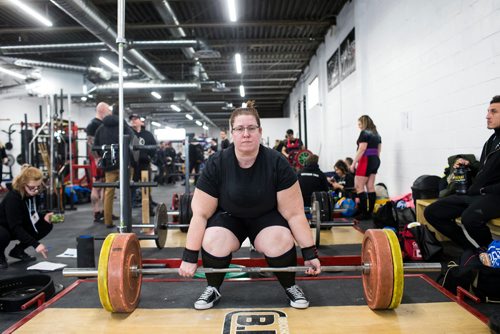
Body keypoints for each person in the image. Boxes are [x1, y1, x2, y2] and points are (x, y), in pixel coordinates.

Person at [178, 101, 321, 310]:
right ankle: (213, 288)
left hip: (266, 217)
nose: (246, 134)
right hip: (229, 217)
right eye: (240, 129)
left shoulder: (277, 162)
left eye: (251, 128)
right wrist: (189, 257)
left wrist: (310, 254)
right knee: (212, 238)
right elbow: (199, 215)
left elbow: (295, 214)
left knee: (280, 238)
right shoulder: (217, 163)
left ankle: (290, 285)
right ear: (232, 133)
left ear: (259, 131)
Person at [424, 95, 500, 251]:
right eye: (488, 111)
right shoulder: (492, 140)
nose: (487, 116)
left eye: (494, 112)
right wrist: (469, 166)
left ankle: (492, 254)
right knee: (432, 212)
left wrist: (484, 190)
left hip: (495, 195)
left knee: (470, 218)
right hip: (477, 194)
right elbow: (486, 171)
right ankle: (472, 250)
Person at [0, 165, 54, 269]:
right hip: (5, 226)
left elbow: (31, 214)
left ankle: (18, 251)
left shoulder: (34, 194)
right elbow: (15, 227)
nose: (36, 190)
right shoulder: (13, 198)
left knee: (46, 225)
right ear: (23, 184)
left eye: (38, 187)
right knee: (2, 235)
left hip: (18, 224)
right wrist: (36, 245)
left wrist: (45, 216)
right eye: (32, 187)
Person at [94, 107, 136, 228]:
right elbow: (133, 143)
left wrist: (101, 157)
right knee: (127, 191)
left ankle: (108, 220)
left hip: (109, 164)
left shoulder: (101, 128)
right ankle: (127, 220)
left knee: (108, 193)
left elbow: (95, 147)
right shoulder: (124, 126)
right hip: (125, 163)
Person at [350, 115, 381, 220]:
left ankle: (364, 213)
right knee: (370, 186)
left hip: (366, 160)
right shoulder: (377, 134)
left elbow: (362, 149)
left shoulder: (364, 133)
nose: (359, 127)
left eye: (359, 124)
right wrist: (375, 162)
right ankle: (370, 213)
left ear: (364, 123)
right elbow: (379, 150)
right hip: (375, 160)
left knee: (359, 187)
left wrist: (353, 163)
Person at [86, 102, 111, 223]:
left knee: (103, 186)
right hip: (97, 158)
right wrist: (96, 158)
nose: (109, 113)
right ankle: (96, 212)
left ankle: (103, 212)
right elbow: (90, 143)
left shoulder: (102, 124)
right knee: (97, 186)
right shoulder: (93, 124)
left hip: (103, 157)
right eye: (107, 111)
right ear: (101, 110)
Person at [129, 114, 157, 215]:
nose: (133, 121)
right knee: (130, 188)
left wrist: (149, 157)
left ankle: (148, 209)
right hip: (131, 165)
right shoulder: (128, 133)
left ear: (141, 122)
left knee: (146, 187)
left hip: (144, 164)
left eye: (136, 119)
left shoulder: (148, 134)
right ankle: (128, 211)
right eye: (132, 119)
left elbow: (153, 147)